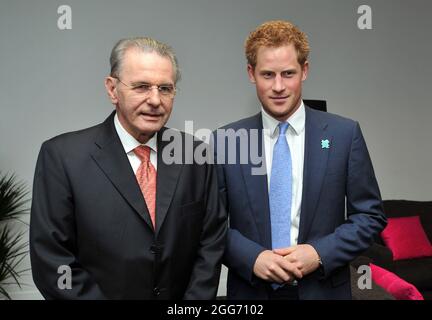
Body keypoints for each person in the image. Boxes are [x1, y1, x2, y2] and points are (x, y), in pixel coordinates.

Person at [30, 37, 226, 299]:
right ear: (112, 89)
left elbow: (210, 244)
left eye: (165, 88)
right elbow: (52, 261)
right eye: (142, 86)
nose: (155, 100)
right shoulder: (63, 157)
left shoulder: (195, 155)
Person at [214, 20, 387, 299]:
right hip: (251, 293)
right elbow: (211, 224)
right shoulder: (225, 140)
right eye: (267, 74)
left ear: (304, 71)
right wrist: (252, 257)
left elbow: (369, 216)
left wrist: (319, 253)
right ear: (251, 73)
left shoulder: (345, 134)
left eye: (288, 73)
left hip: (322, 289)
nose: (278, 86)